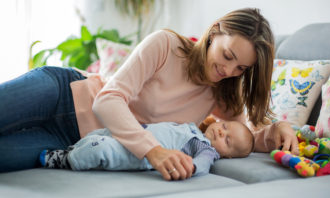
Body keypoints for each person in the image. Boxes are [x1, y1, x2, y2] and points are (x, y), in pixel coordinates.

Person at [0, 8, 299, 180]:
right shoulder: (166, 45)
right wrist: (152, 151)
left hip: (69, 140)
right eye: (228, 55)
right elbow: (108, 99)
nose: (228, 69)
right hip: (61, 93)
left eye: (241, 68)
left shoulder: (222, 94)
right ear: (215, 32)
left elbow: (243, 136)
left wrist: (278, 128)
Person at [39, 120, 254, 177]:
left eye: (227, 141)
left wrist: (191, 167)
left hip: (137, 155)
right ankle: (71, 150)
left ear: (226, 154)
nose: (221, 133)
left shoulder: (205, 148)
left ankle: (66, 160)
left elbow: (203, 165)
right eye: (225, 127)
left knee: (101, 148)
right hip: (134, 135)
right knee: (98, 134)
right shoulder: (194, 128)